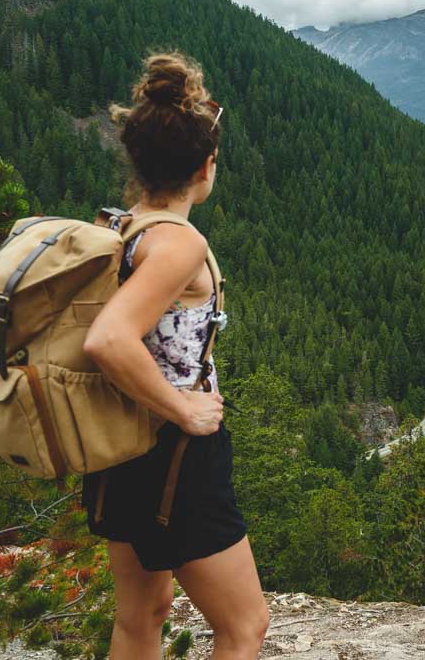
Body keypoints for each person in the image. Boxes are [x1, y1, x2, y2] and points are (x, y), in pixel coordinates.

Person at [80, 52, 269, 658]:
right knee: (244, 627)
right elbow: (108, 338)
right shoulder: (179, 244)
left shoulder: (121, 224)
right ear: (205, 168)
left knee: (142, 614)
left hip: (118, 443)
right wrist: (184, 411)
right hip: (174, 453)